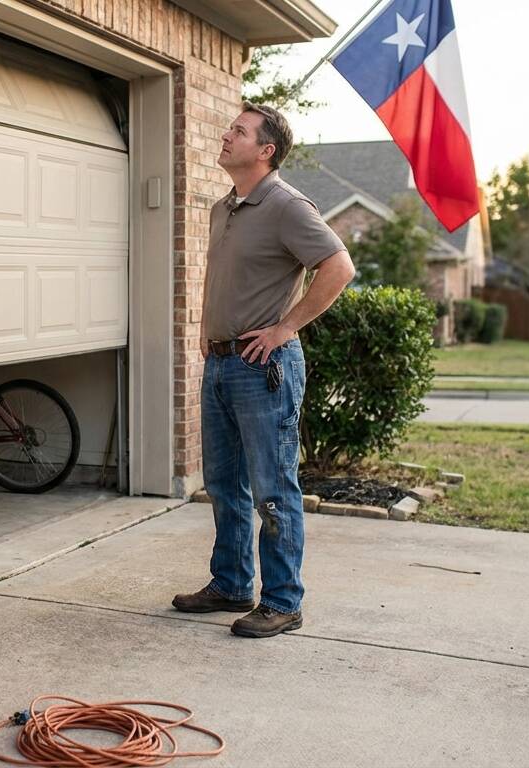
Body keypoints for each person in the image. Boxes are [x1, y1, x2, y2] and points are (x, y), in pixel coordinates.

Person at [172, 102, 355, 638]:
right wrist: (209, 334)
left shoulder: (286, 205)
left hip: (265, 368)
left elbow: (339, 267)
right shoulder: (223, 207)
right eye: (231, 128)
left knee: (274, 488)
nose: (227, 135)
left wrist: (285, 328)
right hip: (222, 365)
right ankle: (230, 583)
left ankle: (282, 600)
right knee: (224, 484)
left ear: (266, 150)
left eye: (239, 131)